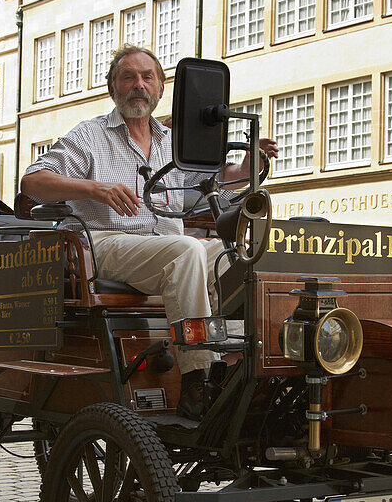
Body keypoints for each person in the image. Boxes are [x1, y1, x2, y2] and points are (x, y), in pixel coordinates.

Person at [20, 44, 277, 419]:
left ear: (159, 89)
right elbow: (32, 181)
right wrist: (96, 189)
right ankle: (197, 380)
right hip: (104, 242)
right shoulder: (91, 135)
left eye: (147, 77)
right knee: (188, 250)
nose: (138, 85)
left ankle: (241, 365)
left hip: (165, 246)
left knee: (238, 256)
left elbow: (212, 180)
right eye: (128, 77)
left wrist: (245, 166)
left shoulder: (172, 140)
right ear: (113, 88)